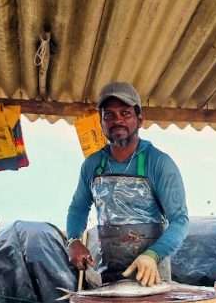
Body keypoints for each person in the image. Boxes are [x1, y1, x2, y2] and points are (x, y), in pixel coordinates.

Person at [65, 82, 189, 286]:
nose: (117, 121)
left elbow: (180, 220)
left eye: (125, 113)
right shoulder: (92, 165)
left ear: (140, 119)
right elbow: (78, 208)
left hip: (151, 276)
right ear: (101, 122)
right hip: (108, 275)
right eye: (109, 115)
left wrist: (152, 255)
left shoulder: (158, 163)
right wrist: (73, 241)